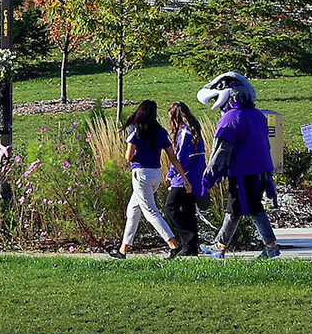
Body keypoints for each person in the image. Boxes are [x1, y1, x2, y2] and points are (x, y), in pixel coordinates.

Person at [196, 73, 280, 259]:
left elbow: (221, 150)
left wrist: (210, 174)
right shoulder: (257, 115)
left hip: (244, 170)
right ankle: (220, 245)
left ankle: (270, 245)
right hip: (259, 170)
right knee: (235, 209)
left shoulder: (231, 118)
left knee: (250, 208)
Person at [111, 100, 180, 259]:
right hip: (156, 173)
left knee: (150, 211)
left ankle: (173, 245)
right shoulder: (160, 131)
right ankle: (123, 249)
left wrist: (135, 156)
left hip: (141, 174)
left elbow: (128, 156)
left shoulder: (136, 130)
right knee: (133, 211)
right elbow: (171, 155)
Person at [162, 101, 209, 258]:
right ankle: (191, 248)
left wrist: (171, 174)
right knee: (188, 210)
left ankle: (188, 239)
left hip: (184, 177)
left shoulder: (184, 134)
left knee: (170, 207)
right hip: (196, 175)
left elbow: (180, 158)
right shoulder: (195, 132)